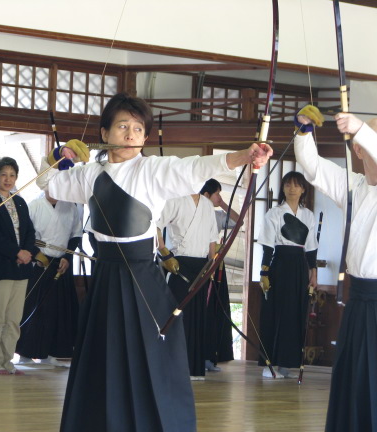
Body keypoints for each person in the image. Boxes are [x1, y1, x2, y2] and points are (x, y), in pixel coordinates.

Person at [36, 92, 272, 431]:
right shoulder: (90, 174)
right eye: (122, 126)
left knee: (149, 355)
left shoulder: (152, 170)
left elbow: (194, 168)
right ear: (104, 133)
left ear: (145, 138)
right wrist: (58, 157)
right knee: (102, 357)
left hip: (141, 278)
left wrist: (243, 156)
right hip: (105, 277)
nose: (130, 135)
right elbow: (49, 183)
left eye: (138, 129)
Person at [294, 105, 377, 432]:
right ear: (358, 150)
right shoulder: (354, 187)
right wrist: (304, 130)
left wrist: (359, 128)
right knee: (356, 379)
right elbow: (313, 168)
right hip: (359, 300)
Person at [0, 157, 39, 375]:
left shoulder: (20, 201)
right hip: (0, 267)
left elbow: (30, 231)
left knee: (13, 319)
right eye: (3, 175)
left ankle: (7, 361)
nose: (8, 179)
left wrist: (27, 252)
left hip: (21, 269)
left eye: (12, 175)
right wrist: (17, 252)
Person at [257, 171, 318, 379]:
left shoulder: (308, 215)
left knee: (295, 314)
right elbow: (267, 246)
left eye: (296, 185)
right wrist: (264, 272)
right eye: (288, 185)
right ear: (283, 188)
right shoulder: (274, 213)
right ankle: (270, 364)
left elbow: (311, 248)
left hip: (300, 267)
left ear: (303, 189)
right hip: (280, 265)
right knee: (277, 312)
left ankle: (287, 364)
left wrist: (313, 273)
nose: (292, 188)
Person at [157, 192, 219, 379]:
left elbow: (212, 238)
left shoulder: (207, 205)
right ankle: (174, 367)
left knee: (198, 317)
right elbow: (156, 226)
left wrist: (212, 264)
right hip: (178, 264)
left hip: (201, 267)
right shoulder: (175, 199)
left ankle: (194, 368)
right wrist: (165, 253)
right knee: (178, 317)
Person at [16, 191, 82, 367]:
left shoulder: (70, 206)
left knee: (58, 310)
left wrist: (67, 257)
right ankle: (25, 354)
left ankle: (52, 353)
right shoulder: (34, 205)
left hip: (61, 263)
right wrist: (37, 254)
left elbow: (76, 234)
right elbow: (25, 234)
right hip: (39, 262)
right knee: (36, 308)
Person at [199, 179, 236, 368]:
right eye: (217, 193)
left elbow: (239, 221)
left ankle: (209, 357)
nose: (219, 197)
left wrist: (222, 203)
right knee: (199, 311)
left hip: (214, 266)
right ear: (206, 195)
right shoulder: (193, 212)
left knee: (213, 310)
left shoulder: (219, 215)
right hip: (198, 264)